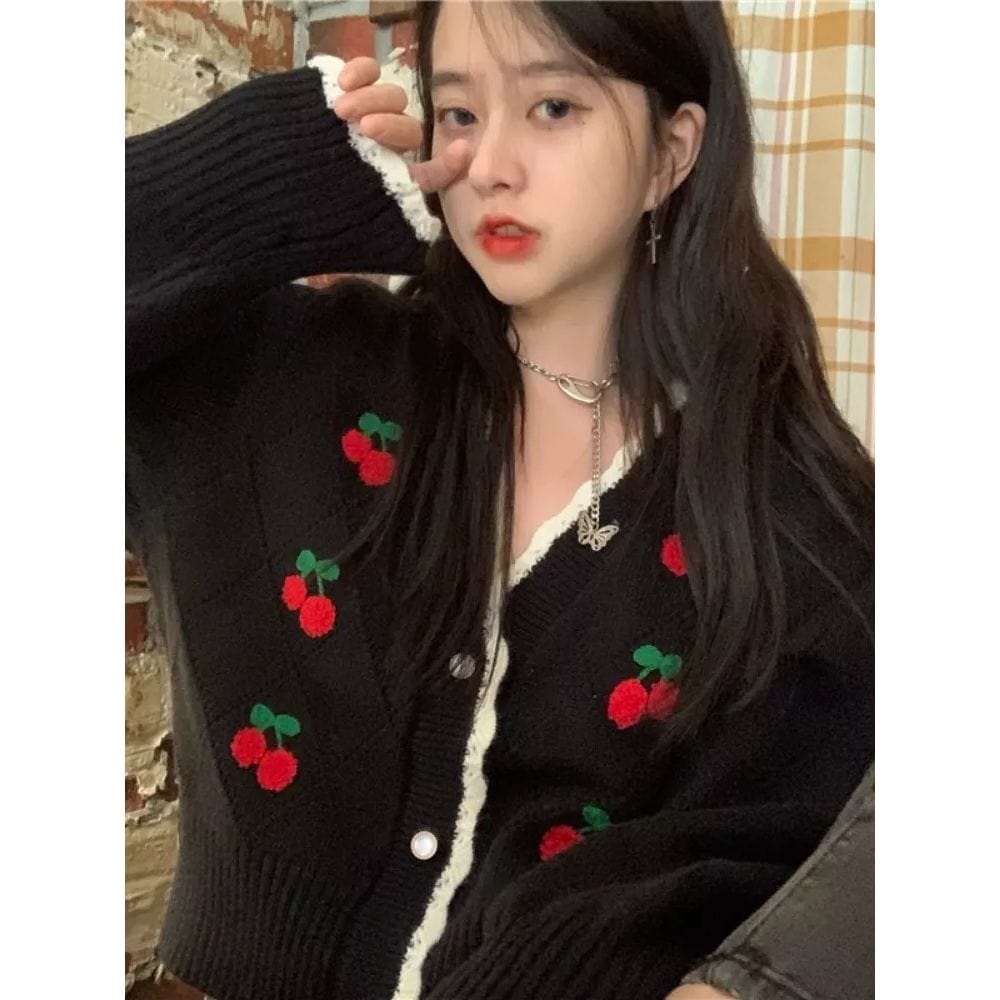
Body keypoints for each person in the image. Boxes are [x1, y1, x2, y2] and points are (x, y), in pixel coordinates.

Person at [125, 3, 874, 999]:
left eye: (554, 107)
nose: (490, 167)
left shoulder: (784, 512)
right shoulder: (290, 384)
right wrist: (279, 165)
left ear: (672, 152)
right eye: (459, 114)